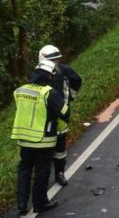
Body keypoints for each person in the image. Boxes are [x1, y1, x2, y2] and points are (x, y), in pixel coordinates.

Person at [11, 58, 69, 215]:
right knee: (42, 172)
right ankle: (40, 202)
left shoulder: (20, 91)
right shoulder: (48, 93)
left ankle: (22, 204)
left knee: (24, 170)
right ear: (49, 76)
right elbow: (64, 113)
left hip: (24, 139)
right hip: (43, 140)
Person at [38, 45, 82, 187]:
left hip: (61, 115)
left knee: (60, 146)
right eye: (52, 60)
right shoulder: (39, 74)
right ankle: (42, 177)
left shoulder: (64, 71)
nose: (55, 63)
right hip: (43, 116)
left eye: (57, 60)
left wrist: (70, 97)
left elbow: (77, 80)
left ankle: (59, 173)